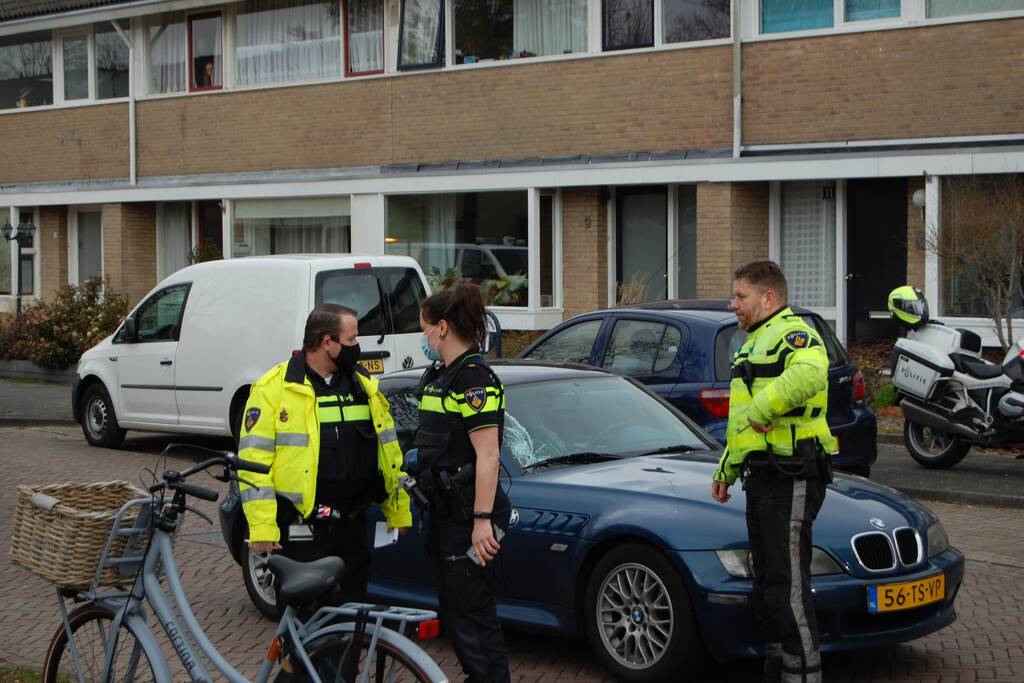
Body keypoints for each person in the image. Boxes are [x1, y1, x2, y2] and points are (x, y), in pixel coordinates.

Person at [711, 260, 836, 683]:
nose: (734, 305)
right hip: (763, 475)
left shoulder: (793, 333)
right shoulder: (754, 342)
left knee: (787, 587)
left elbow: (811, 373)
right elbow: (742, 421)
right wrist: (726, 469)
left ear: (768, 298)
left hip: (792, 473)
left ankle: (804, 675)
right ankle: (777, 671)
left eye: (740, 297)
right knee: (767, 586)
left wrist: (766, 409)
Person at [238, 303, 411, 604]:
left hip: (353, 527)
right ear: (326, 342)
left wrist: (398, 510)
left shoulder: (363, 386)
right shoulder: (275, 389)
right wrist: (263, 526)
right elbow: (254, 463)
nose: (357, 347)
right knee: (306, 620)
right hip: (303, 528)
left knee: (352, 616)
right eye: (351, 340)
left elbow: (389, 453)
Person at [411, 282, 511, 683]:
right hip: (447, 514)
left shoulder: (472, 380)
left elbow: (488, 455)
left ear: (443, 327)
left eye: (425, 329)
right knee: (456, 612)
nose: (424, 338)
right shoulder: (443, 376)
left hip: (471, 517)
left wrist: (481, 520)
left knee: (473, 615)